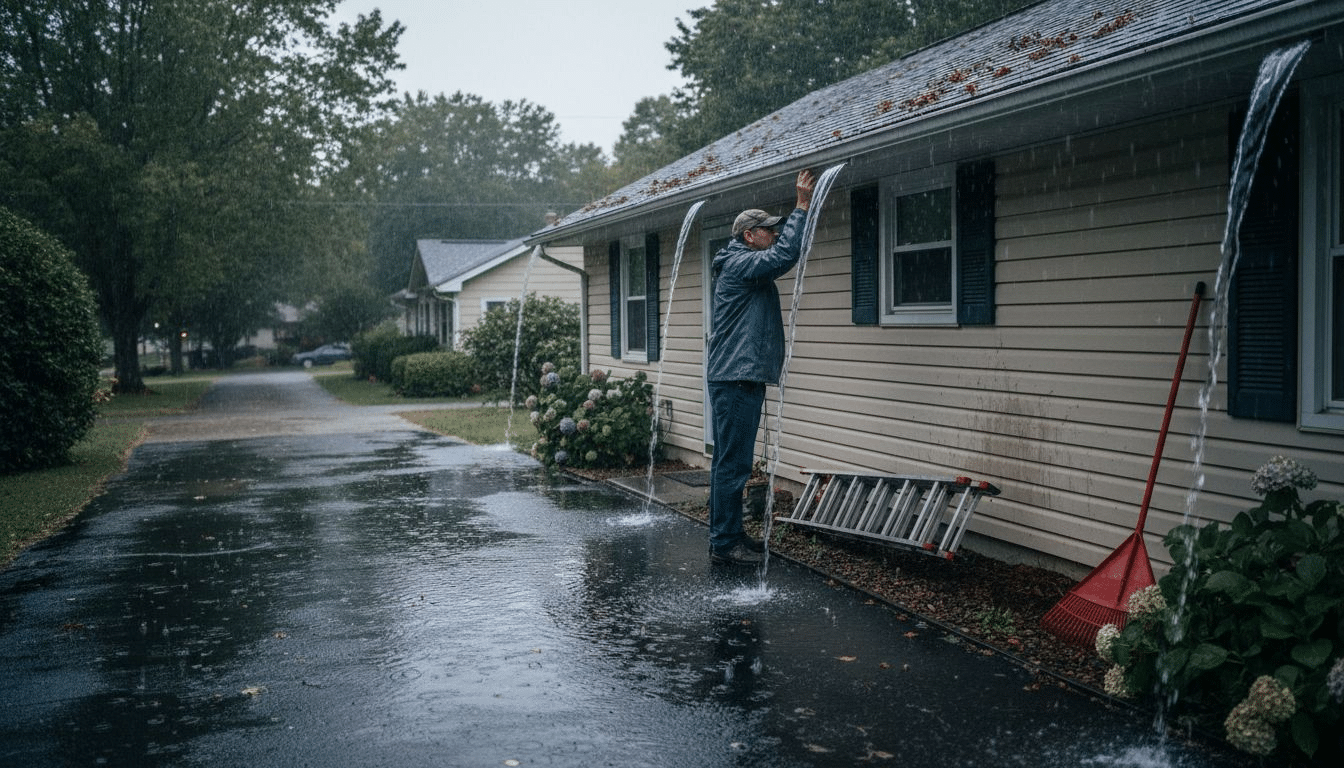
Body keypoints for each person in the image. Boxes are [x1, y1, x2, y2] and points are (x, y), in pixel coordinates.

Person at [706, 169, 816, 565]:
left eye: (774, 228)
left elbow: (778, 254)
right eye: (767, 229)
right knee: (733, 465)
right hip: (736, 377)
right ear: (749, 235)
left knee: (729, 462)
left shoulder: (741, 265)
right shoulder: (740, 263)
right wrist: (801, 206)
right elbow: (784, 255)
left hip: (738, 376)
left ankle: (730, 535)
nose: (773, 233)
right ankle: (724, 543)